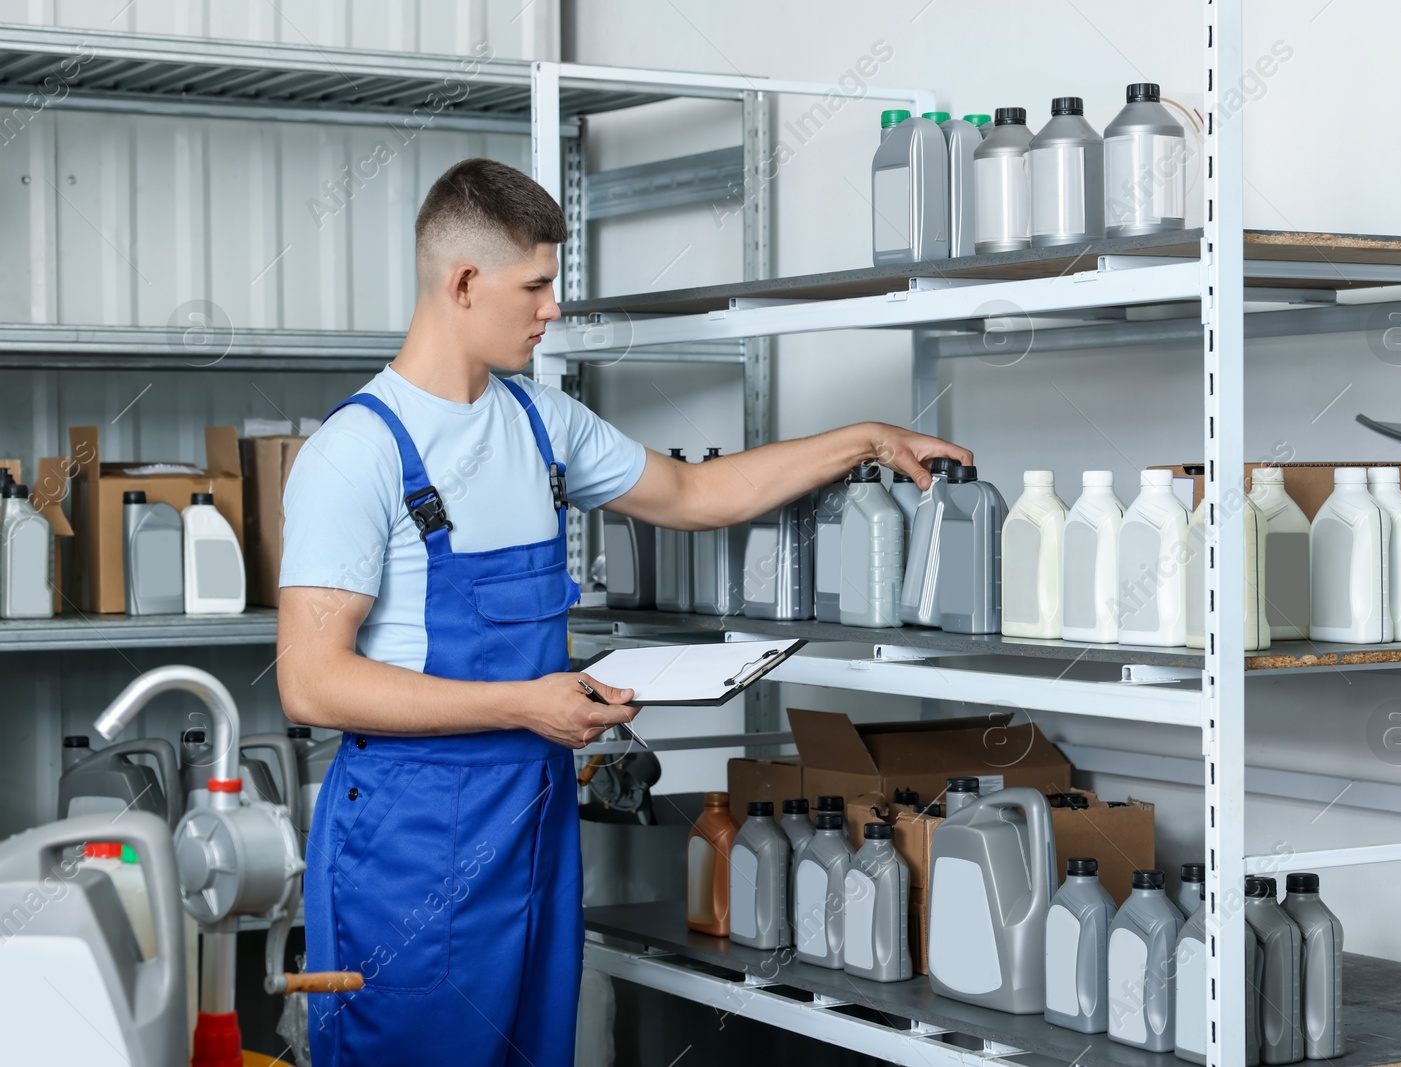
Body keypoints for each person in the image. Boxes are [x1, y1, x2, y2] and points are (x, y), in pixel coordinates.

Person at [276, 156, 970, 1065]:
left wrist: (867, 438)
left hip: (530, 819)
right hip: (409, 845)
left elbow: (693, 492)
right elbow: (312, 684)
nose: (552, 308)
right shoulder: (355, 454)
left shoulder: (539, 423)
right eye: (536, 285)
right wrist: (526, 702)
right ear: (465, 283)